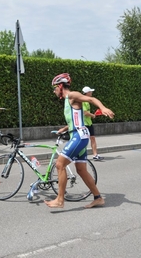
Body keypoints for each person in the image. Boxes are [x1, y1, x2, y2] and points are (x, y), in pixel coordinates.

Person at [45, 73, 114, 209]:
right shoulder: (67, 101)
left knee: (60, 165)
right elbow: (77, 119)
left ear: (60, 86)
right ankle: (98, 198)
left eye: (54, 88)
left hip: (79, 136)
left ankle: (60, 199)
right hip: (77, 135)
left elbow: (91, 99)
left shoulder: (72, 95)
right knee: (81, 170)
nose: (54, 91)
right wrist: (64, 128)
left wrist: (103, 108)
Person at [82, 86, 104, 161]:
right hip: (84, 124)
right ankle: (81, 156)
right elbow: (84, 112)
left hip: (89, 123)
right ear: (87, 93)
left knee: (93, 138)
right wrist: (92, 115)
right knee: (84, 140)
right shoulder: (82, 101)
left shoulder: (87, 101)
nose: (92, 92)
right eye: (90, 91)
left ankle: (95, 155)